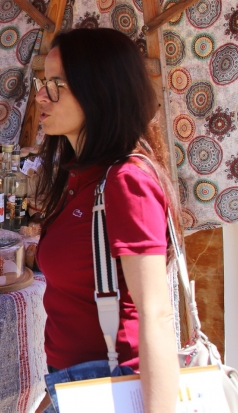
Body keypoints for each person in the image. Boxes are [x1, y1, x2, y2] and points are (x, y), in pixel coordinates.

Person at [34, 28, 179, 412]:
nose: (40, 96)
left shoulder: (126, 181)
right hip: (77, 384)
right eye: (42, 82)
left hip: (116, 389)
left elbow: (156, 314)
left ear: (99, 89)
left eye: (57, 84)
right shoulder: (82, 176)